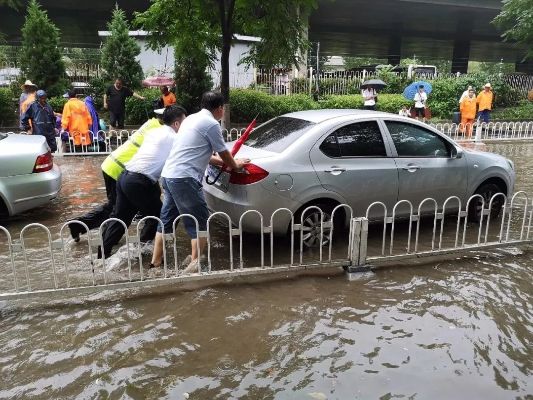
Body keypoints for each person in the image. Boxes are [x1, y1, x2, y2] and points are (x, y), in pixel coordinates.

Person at [149, 91, 249, 273]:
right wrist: (235, 165)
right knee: (199, 221)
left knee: (166, 220)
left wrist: (227, 162)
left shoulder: (192, 119)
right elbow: (224, 153)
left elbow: (203, 154)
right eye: (223, 110)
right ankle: (195, 265)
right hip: (185, 178)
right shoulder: (211, 124)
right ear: (220, 109)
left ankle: (155, 263)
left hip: (169, 176)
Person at [98, 105, 187, 258]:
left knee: (121, 218)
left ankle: (102, 255)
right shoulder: (174, 137)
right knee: (157, 216)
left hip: (125, 177)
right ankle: (143, 250)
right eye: (184, 122)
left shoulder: (154, 132)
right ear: (177, 123)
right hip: (139, 181)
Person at [68, 111, 164, 242]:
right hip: (120, 168)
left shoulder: (151, 123)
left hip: (113, 164)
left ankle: (104, 232)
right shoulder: (161, 130)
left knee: (121, 205)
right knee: (116, 207)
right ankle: (83, 226)